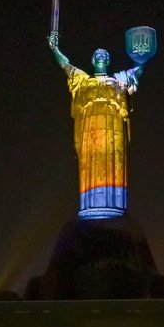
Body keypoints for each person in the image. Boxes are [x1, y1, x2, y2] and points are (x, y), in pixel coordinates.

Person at [49, 35, 147, 218]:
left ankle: (115, 211)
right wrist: (55, 50)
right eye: (98, 55)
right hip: (90, 131)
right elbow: (66, 66)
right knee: (90, 163)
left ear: (108, 61)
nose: (101, 57)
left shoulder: (118, 81)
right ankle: (90, 210)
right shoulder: (83, 81)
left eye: (104, 55)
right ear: (93, 61)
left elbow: (137, 71)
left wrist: (143, 59)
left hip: (113, 131)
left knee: (114, 162)